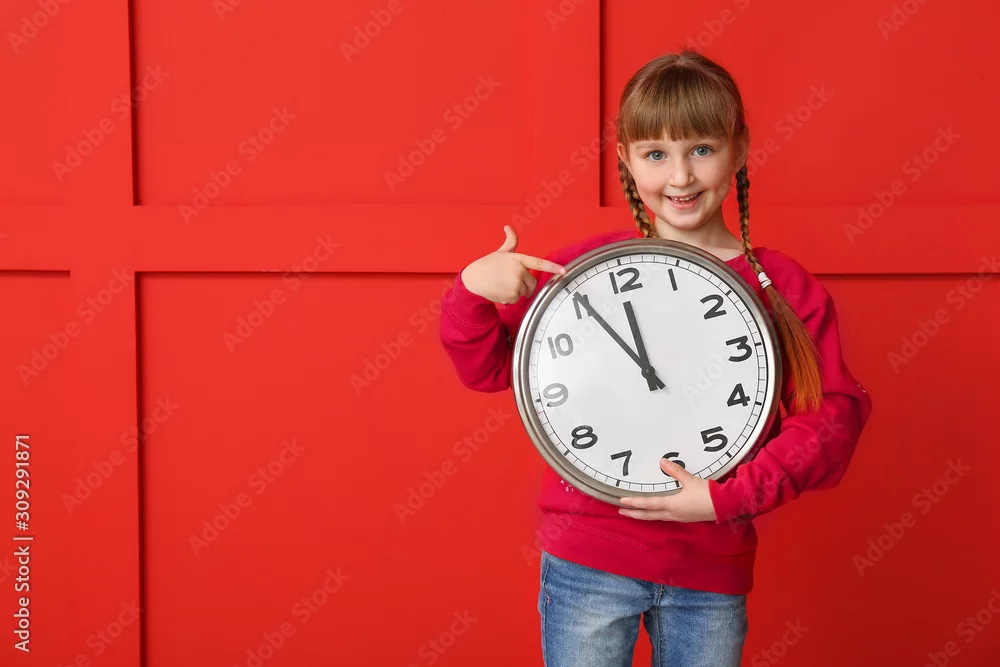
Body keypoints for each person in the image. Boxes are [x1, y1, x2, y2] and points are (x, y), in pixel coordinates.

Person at [438, 50, 873, 667]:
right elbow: (486, 368)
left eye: (702, 149)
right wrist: (472, 291)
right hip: (588, 559)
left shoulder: (780, 286)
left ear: (740, 149)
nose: (681, 176)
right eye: (656, 154)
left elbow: (831, 419)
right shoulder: (583, 270)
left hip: (709, 569)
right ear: (625, 158)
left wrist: (728, 499)